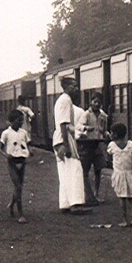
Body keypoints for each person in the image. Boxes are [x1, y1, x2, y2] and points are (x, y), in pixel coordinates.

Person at [53, 77, 87, 213]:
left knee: (65, 172)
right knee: (75, 170)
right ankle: (75, 204)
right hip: (64, 139)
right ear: (66, 87)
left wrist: (80, 131)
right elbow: (64, 125)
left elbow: (67, 125)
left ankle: (65, 203)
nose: (76, 89)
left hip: (60, 138)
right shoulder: (66, 100)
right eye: (74, 86)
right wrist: (65, 145)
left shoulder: (62, 100)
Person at [77, 92, 110, 205]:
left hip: (98, 145)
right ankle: (86, 194)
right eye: (95, 102)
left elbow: (104, 129)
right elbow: (79, 126)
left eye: (99, 102)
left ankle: (96, 194)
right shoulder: (86, 114)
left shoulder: (104, 116)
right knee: (85, 170)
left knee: (98, 170)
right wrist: (86, 128)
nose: (97, 104)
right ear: (91, 102)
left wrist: (106, 134)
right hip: (87, 145)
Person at [0, 109, 32, 224]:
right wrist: (6, 155)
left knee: (19, 187)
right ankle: (21, 214)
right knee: (18, 186)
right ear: (11, 121)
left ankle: (11, 205)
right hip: (12, 162)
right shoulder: (6, 134)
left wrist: (30, 151)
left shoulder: (23, 133)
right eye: (18, 121)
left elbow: (27, 145)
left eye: (22, 121)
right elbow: (0, 149)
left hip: (22, 161)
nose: (20, 123)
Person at [107, 123, 132, 227]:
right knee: (131, 197)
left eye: (112, 133)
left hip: (119, 174)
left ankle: (124, 220)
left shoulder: (112, 145)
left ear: (116, 134)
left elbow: (108, 157)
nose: (111, 135)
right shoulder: (131, 144)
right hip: (129, 172)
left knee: (122, 197)